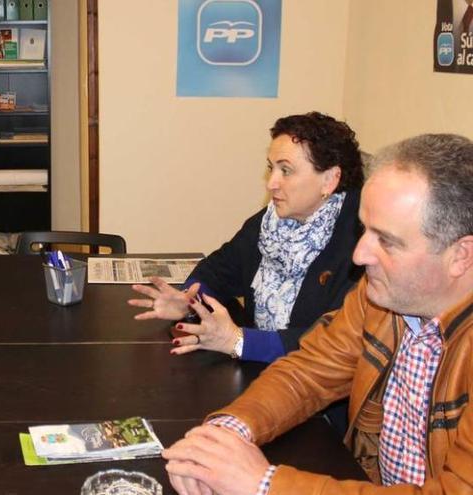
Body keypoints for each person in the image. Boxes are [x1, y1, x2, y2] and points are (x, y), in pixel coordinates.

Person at [162, 133, 473, 494]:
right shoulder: (381, 300)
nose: (360, 255)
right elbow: (308, 372)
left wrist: (263, 484)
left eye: (386, 240)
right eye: (364, 230)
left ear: (462, 256)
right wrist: (227, 431)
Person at [129, 112, 365, 363]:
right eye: (271, 168)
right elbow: (219, 270)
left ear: (329, 180)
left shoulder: (361, 244)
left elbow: (336, 341)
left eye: (286, 170)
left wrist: (239, 341)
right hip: (260, 369)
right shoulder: (271, 221)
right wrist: (189, 300)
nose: (271, 183)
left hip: (317, 390)